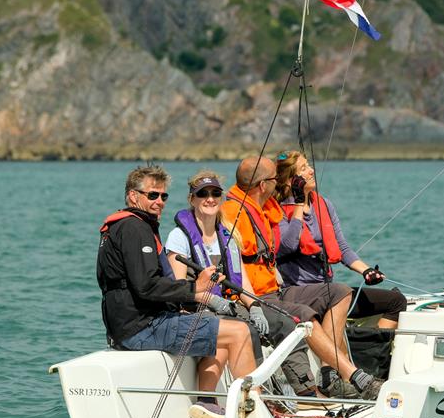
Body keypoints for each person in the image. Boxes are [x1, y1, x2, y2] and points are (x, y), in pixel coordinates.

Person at [97, 165, 298, 418]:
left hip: (134, 324)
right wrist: (196, 288)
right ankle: (257, 417)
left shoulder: (129, 226)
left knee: (224, 327)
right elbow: (146, 287)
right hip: (141, 327)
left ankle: (212, 404)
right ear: (133, 197)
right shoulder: (135, 229)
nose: (159, 203)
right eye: (152, 196)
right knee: (239, 332)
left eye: (164, 197)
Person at [221, 157, 384, 400]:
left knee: (339, 292)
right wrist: (252, 303)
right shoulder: (234, 213)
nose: (279, 184)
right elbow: (284, 246)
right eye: (275, 180)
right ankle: (357, 377)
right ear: (263, 185)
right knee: (303, 315)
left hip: (274, 289)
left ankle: (330, 373)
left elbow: (339, 245)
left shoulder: (264, 207)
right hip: (257, 296)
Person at [165, 170, 316, 402]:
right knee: (245, 331)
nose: (210, 198)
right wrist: (213, 301)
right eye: (202, 194)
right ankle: (253, 398)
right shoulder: (179, 237)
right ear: (192, 199)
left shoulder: (227, 234)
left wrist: (254, 305)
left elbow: (242, 281)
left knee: (284, 323)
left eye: (215, 193)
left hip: (233, 303)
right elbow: (179, 289)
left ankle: (305, 392)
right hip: (198, 307)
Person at [273, 150, 407, 331]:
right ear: (291, 181)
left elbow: (341, 247)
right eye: (304, 168)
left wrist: (365, 270)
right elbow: (288, 246)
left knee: (396, 302)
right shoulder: (278, 212)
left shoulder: (324, 205)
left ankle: (371, 351)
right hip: (299, 293)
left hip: (329, 291)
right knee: (339, 293)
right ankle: (335, 357)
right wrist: (297, 203)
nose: (312, 171)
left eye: (309, 165)